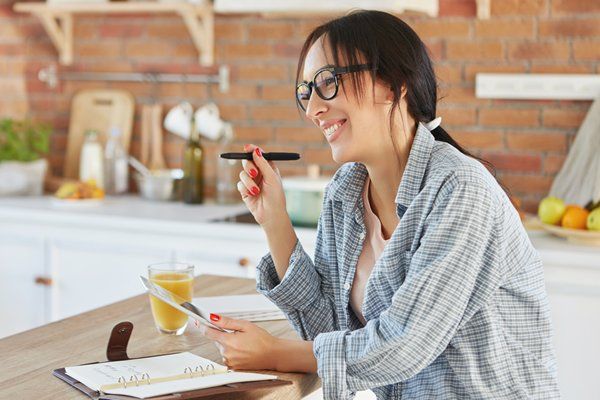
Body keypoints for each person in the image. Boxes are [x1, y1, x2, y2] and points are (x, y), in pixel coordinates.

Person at [198, 10, 560, 399]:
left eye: (328, 83)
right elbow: (330, 335)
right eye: (306, 91)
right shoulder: (346, 192)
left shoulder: (459, 187)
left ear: (393, 84)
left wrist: (273, 351)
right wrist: (274, 221)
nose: (312, 109)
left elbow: (403, 344)